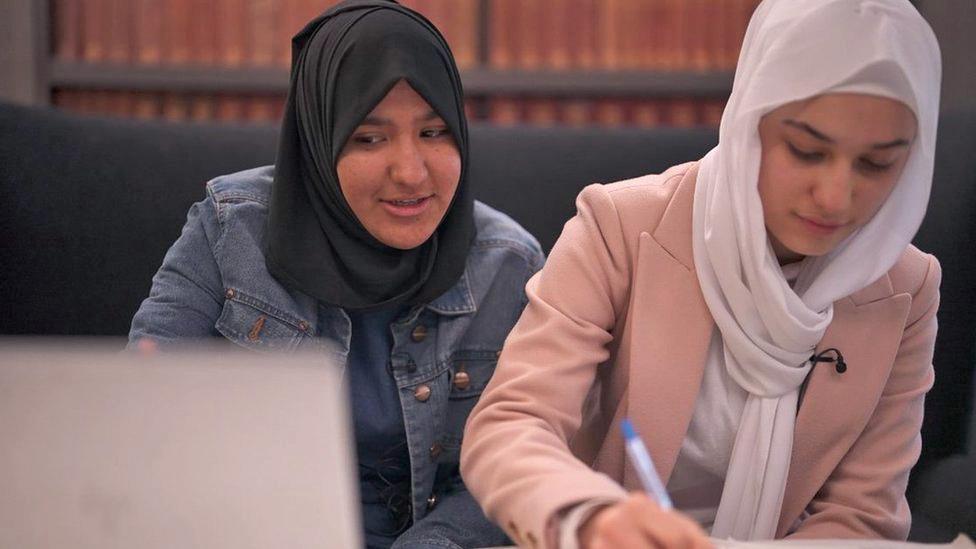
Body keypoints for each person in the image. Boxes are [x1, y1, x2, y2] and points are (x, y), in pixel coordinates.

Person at [460, 0, 942, 547]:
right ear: (748, 122)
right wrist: (590, 518)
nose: (835, 197)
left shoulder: (906, 286)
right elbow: (513, 424)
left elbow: (862, 516)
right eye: (807, 151)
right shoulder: (622, 225)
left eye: (876, 164)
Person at [128, 2, 543, 547]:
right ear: (319, 139)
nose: (411, 173)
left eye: (435, 132)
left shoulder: (508, 264)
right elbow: (142, 421)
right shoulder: (229, 230)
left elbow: (526, 463)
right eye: (369, 138)